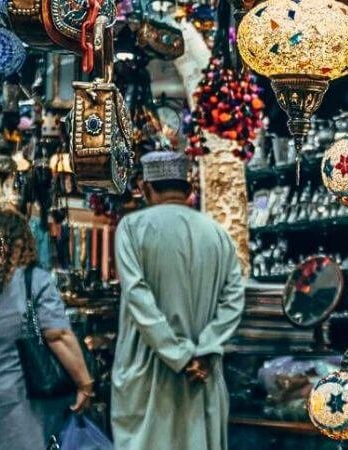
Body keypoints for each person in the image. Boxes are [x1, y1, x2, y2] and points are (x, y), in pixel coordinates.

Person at [111, 151, 246, 450]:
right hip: (203, 372)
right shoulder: (218, 234)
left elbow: (137, 296)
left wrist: (179, 355)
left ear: (146, 188)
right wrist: (205, 349)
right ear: (189, 189)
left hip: (148, 373)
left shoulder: (131, 228)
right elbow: (234, 299)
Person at [0, 208, 94, 450]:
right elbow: (57, 335)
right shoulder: (34, 280)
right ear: (21, 243)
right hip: (21, 398)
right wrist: (85, 383)